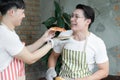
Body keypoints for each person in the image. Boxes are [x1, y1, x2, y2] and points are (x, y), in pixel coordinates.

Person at [46, 4, 109, 80]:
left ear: (87, 21)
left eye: (76, 16)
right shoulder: (64, 35)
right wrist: (51, 69)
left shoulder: (97, 42)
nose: (72, 19)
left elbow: (104, 70)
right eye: (72, 16)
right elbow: (53, 56)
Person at [0, 0, 56, 80]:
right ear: (12, 12)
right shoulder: (5, 34)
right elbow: (30, 58)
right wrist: (52, 44)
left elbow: (23, 51)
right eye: (22, 12)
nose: (24, 16)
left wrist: (44, 39)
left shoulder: (7, 31)